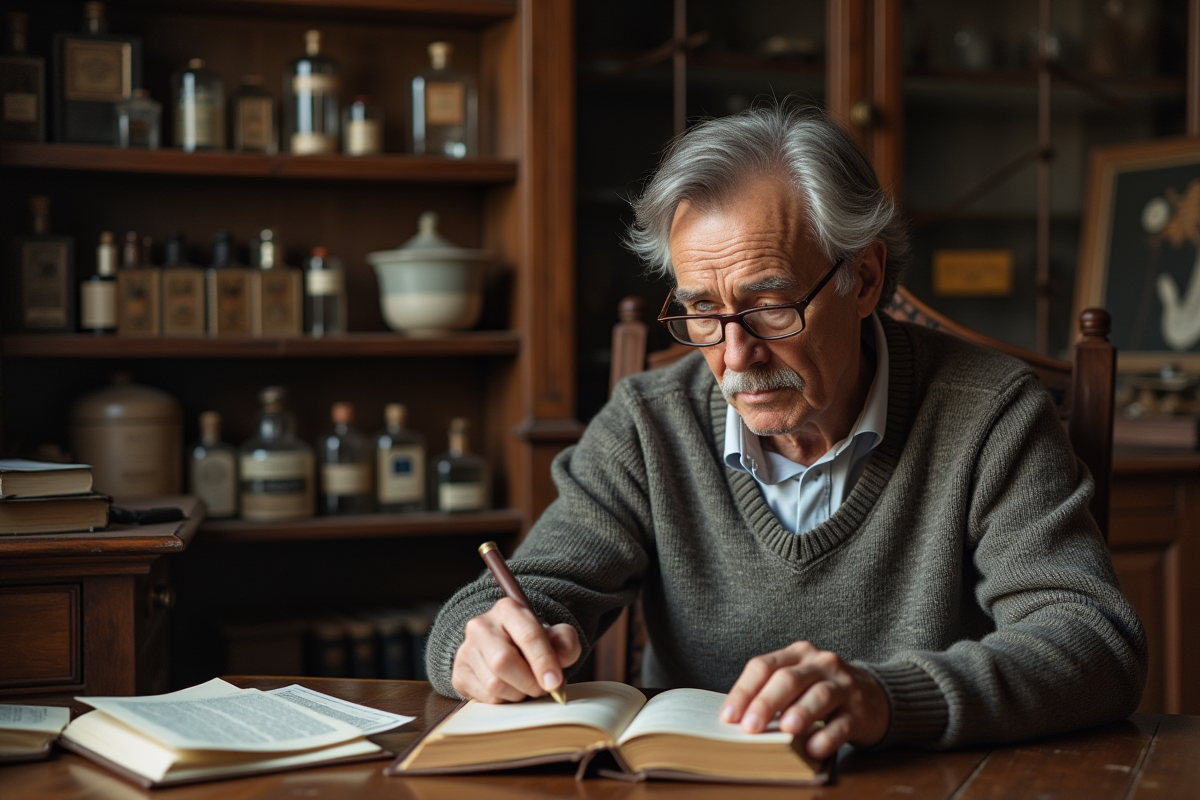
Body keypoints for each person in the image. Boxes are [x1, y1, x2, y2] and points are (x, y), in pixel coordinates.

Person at [425, 104, 1146, 758]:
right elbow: (527, 592)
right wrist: (478, 643)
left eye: (770, 306)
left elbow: (1093, 641)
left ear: (862, 280)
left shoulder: (988, 412)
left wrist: (888, 699)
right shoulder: (649, 422)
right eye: (701, 311)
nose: (734, 357)